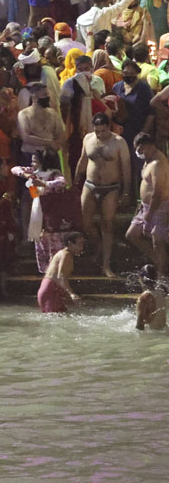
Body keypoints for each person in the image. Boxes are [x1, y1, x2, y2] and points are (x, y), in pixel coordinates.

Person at [74, 111, 131, 277]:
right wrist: (76, 178)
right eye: (97, 131)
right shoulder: (88, 139)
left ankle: (106, 265)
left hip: (110, 187)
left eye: (103, 131)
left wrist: (126, 192)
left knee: (107, 224)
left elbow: (126, 168)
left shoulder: (119, 143)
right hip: (90, 184)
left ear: (109, 127)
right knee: (84, 222)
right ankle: (98, 244)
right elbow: (83, 159)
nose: (100, 134)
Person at [127, 132, 169, 278]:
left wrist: (149, 215)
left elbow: (158, 192)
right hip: (145, 206)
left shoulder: (158, 163)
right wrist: (141, 205)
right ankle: (159, 260)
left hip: (159, 205)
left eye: (139, 150)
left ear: (147, 147)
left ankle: (161, 274)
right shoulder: (148, 160)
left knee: (157, 238)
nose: (138, 153)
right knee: (132, 235)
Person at [38, 232, 86, 313]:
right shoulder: (66, 255)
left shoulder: (62, 253)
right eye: (79, 244)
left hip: (48, 289)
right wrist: (71, 294)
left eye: (82, 244)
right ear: (70, 243)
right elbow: (61, 277)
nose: (81, 248)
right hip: (50, 290)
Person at [135, 265, 166, 331]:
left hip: (150, 335)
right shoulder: (161, 293)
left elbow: (140, 325)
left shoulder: (144, 297)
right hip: (164, 331)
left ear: (142, 278)